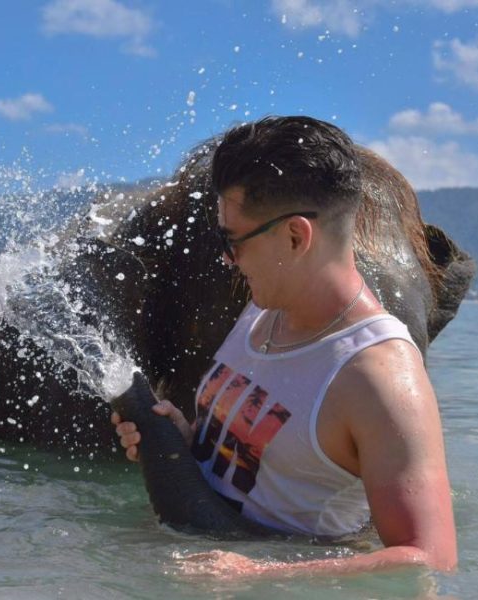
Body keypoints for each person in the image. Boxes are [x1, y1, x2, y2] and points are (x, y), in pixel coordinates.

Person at [112, 116, 457, 577]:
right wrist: (186, 440)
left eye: (232, 241)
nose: (225, 257)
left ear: (296, 236)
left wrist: (258, 573)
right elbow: (266, 465)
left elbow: (430, 558)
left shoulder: (378, 378)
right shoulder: (261, 310)